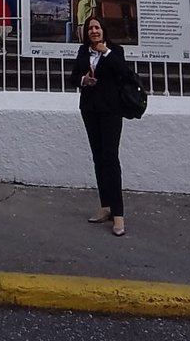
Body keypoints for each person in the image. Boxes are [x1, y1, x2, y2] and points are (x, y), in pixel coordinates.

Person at [68, 15, 129, 237]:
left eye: (97, 27)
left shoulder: (115, 51)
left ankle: (119, 214)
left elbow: (124, 72)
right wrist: (84, 80)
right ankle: (105, 206)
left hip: (111, 110)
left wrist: (105, 52)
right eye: (90, 28)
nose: (94, 31)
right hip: (90, 109)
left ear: (104, 30)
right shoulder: (84, 52)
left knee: (111, 159)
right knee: (98, 157)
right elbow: (73, 76)